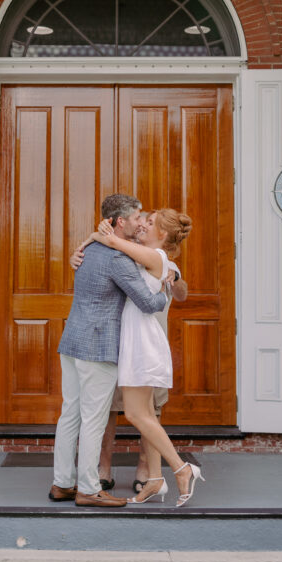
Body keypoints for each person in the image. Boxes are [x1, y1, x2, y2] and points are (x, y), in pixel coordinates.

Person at [50, 194, 168, 508]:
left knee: (70, 414)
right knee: (93, 419)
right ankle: (89, 489)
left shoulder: (89, 248)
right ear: (118, 222)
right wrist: (165, 288)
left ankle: (62, 483)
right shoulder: (118, 258)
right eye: (136, 217)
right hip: (97, 347)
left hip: (72, 340)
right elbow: (146, 303)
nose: (141, 221)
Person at [87, 208, 203, 506]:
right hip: (137, 340)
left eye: (149, 223)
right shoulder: (147, 256)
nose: (142, 225)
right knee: (146, 415)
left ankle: (181, 468)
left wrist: (102, 232)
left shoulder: (158, 259)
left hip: (143, 344)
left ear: (162, 234)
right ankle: (154, 479)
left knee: (138, 414)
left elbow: (112, 242)